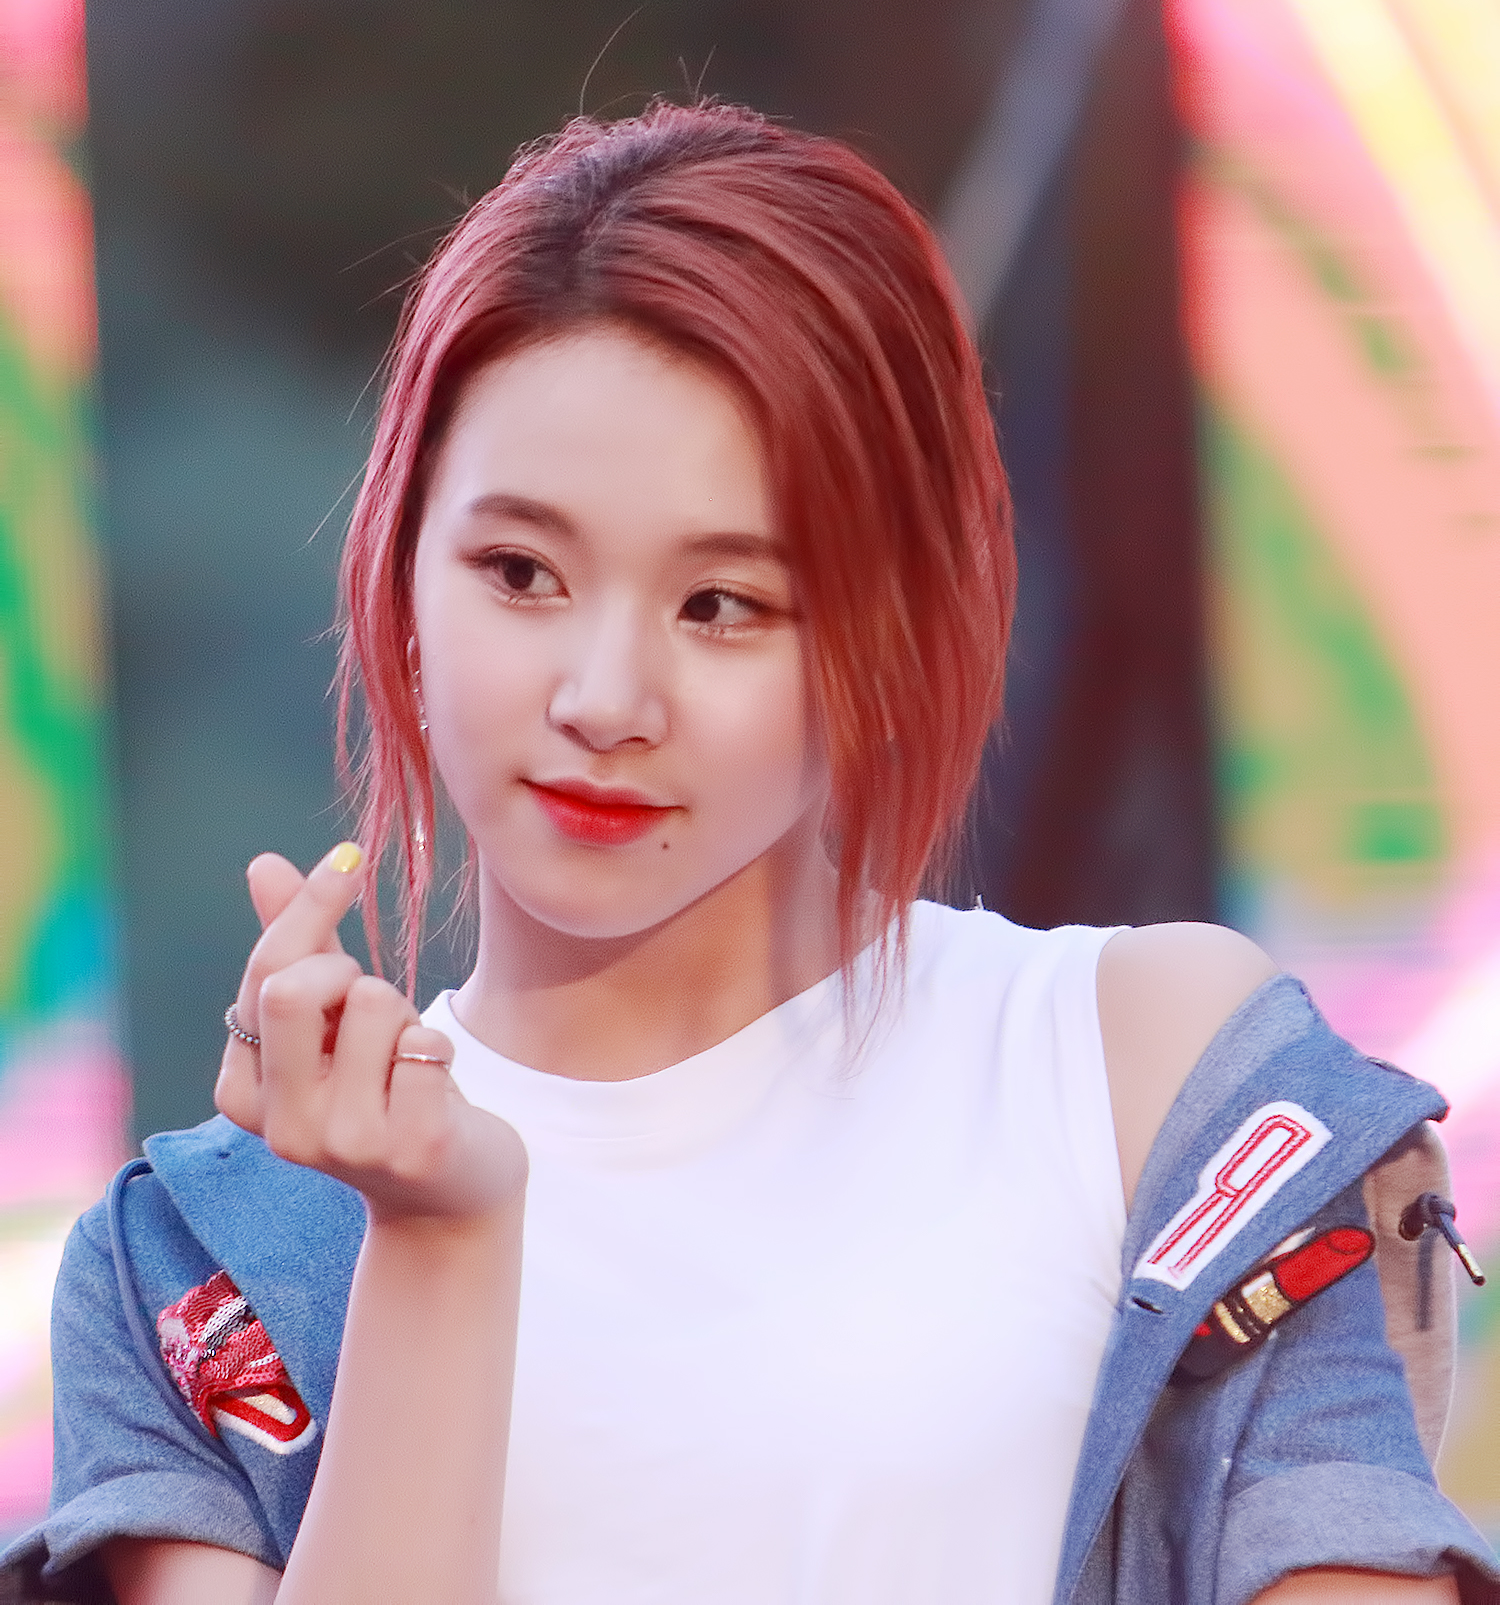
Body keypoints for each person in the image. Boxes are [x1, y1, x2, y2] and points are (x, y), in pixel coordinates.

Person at [5, 102, 1497, 1605]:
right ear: (399, 580)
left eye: (723, 605)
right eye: (520, 572)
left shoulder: (1147, 1074)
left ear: (884, 633)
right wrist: (441, 1237)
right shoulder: (206, 1252)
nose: (605, 701)